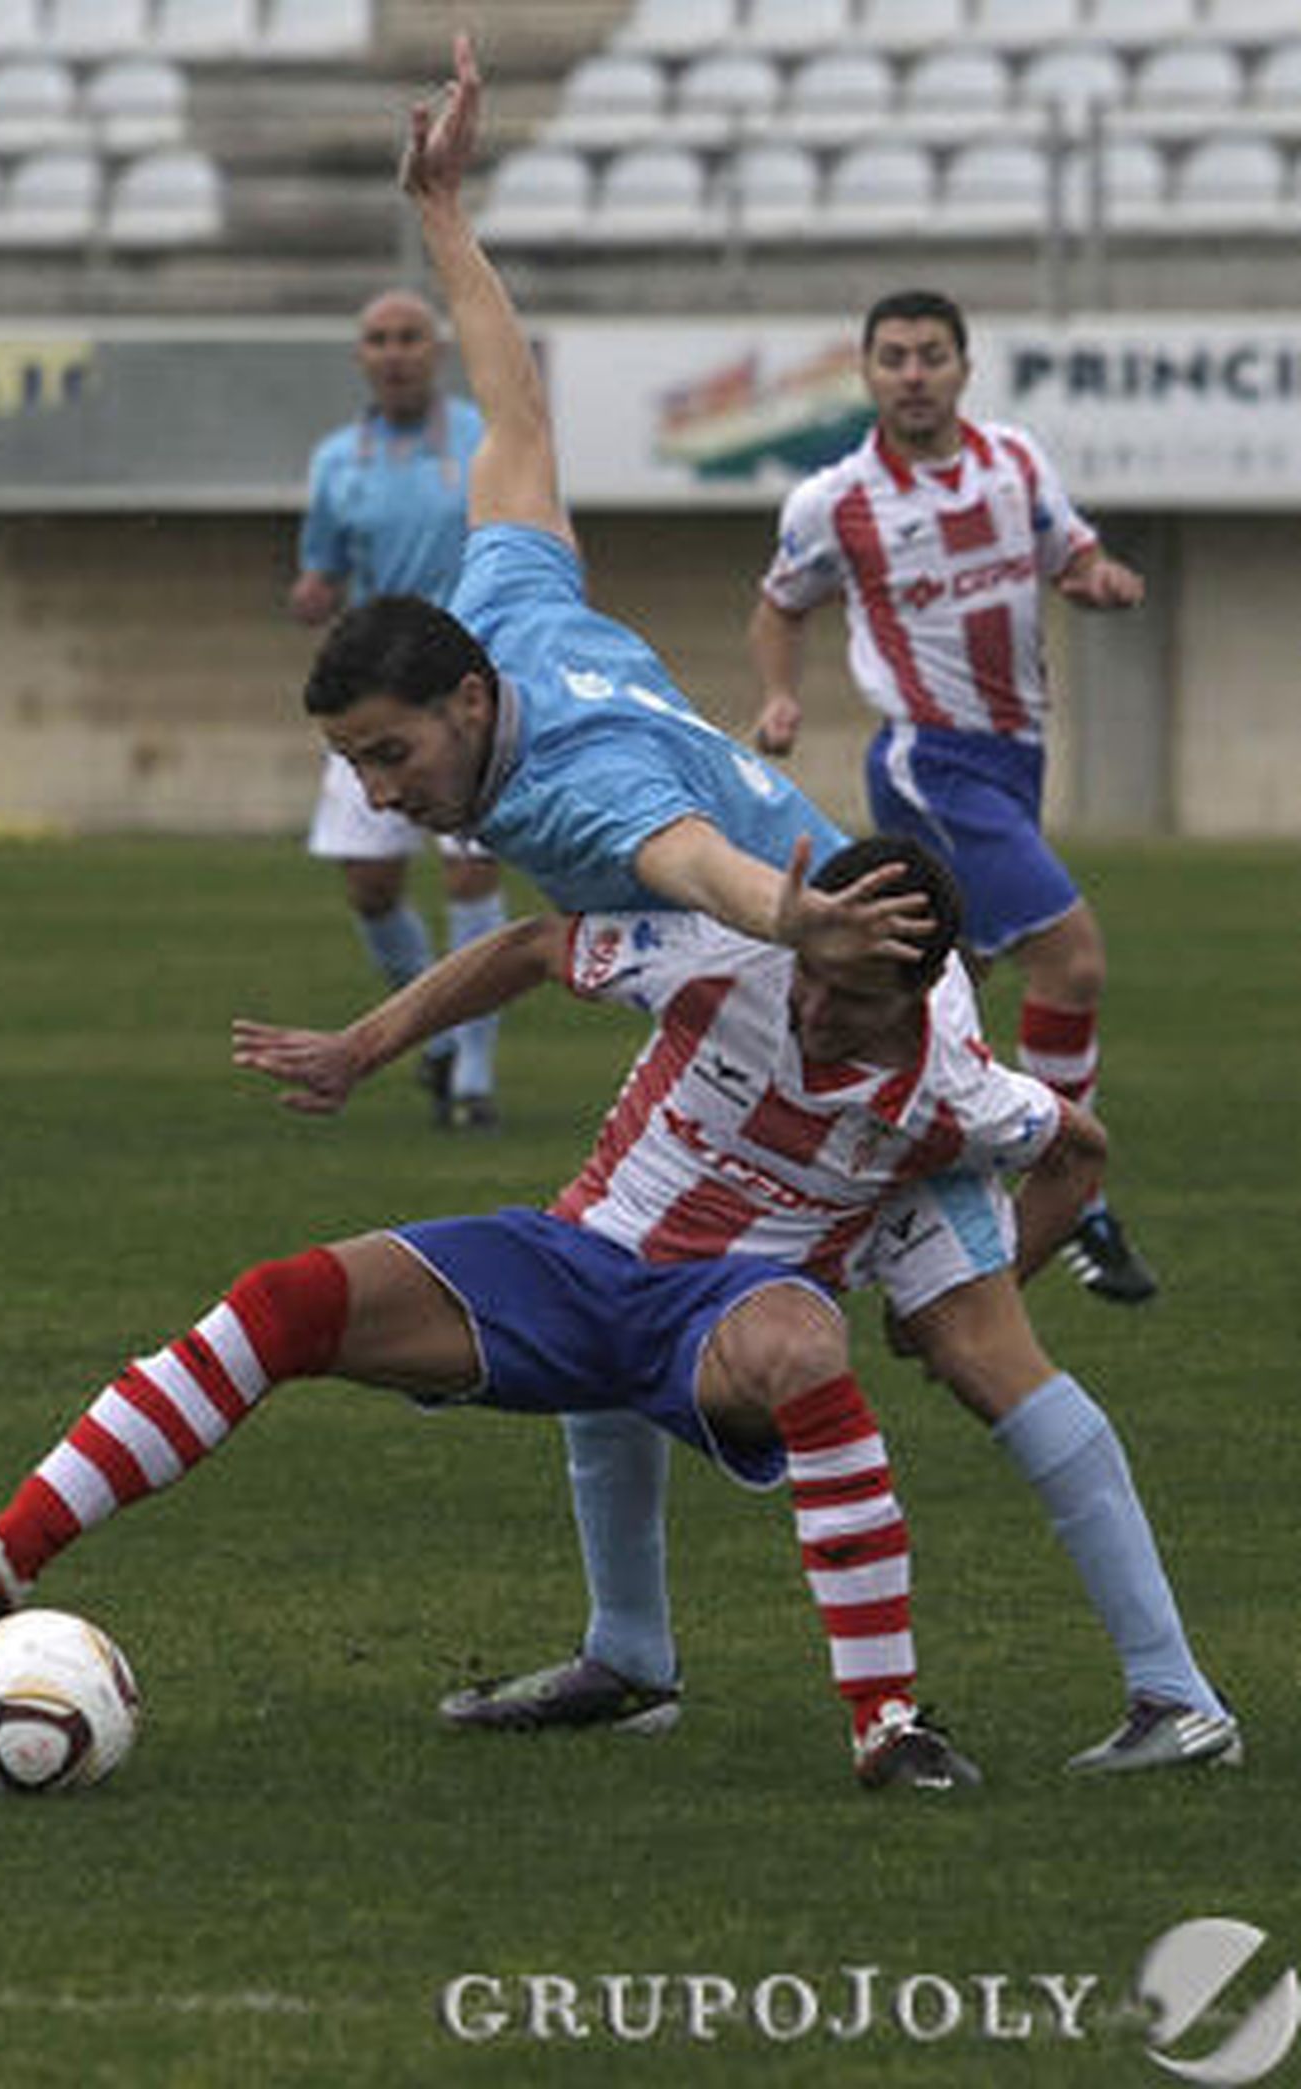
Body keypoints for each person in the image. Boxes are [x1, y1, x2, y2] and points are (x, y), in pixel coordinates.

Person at [229, 835, 1237, 1777]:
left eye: (852, 996)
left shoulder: (955, 1091)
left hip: (745, 1309)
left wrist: (1003, 1272)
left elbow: (1079, 1152)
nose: (815, 1009)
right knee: (486, 1285)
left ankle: (1078, 1701)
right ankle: (628, 1658)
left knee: (957, 1355)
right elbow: (535, 944)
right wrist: (363, 1047)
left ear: (920, 991)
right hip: (616, 1238)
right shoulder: (724, 956)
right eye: (812, 975)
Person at [749, 287, 1157, 1306]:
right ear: (867, 373)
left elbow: (1069, 551)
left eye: (931, 354)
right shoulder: (836, 500)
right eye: (893, 357)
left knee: (929, 989)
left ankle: (823, 1161)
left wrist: (1096, 577)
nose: (913, 374)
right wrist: (780, 696)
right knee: (1070, 958)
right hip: (928, 760)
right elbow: (779, 603)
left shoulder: (1014, 461)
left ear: (964, 368)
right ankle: (1075, 1194)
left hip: (1014, 756)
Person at [290, 286, 504, 1129]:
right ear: (360, 356)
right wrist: (313, 591)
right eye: (378, 338)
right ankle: (437, 1030)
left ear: (436, 350)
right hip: (377, 689)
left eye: (410, 336)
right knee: (371, 885)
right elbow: (323, 566)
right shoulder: (336, 460)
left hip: (462, 689)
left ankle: (473, 1077)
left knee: (470, 868)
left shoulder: (482, 441)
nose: (394, 352)